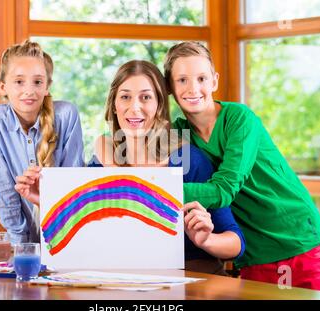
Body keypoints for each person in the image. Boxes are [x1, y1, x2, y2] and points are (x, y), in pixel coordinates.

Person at [16, 60, 245, 275]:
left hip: (189, 281)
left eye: (146, 97)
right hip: (125, 279)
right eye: (125, 97)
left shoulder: (188, 160)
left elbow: (236, 243)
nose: (135, 108)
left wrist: (205, 240)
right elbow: (86, 231)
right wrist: (42, 198)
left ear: (159, 105)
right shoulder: (102, 162)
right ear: (114, 105)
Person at [163, 41, 320, 292]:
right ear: (170, 86)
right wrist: (107, 144)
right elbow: (139, 151)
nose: (193, 88)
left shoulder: (239, 119)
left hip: (295, 236)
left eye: (201, 78)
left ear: (214, 81)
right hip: (254, 249)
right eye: (182, 80)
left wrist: (157, 193)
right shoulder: (180, 133)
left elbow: (224, 190)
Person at [0, 40, 84, 244]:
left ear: (47, 86)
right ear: (3, 87)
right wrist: (21, 245)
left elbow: (72, 184)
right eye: (19, 82)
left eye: (37, 82)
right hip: (19, 242)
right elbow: (2, 186)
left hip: (65, 233)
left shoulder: (66, 115)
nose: (29, 90)